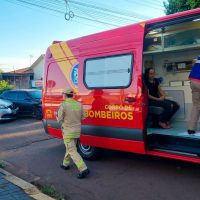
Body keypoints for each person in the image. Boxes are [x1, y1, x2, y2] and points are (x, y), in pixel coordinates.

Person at [57, 87, 90, 179]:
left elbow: (59, 119)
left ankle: (83, 169)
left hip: (67, 131)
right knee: (71, 148)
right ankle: (65, 164)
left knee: (72, 150)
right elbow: (84, 117)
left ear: (65, 95)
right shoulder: (79, 104)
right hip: (77, 131)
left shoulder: (63, 105)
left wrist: (57, 115)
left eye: (63, 94)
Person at [188, 56, 200, 134]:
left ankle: (191, 129)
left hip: (193, 81)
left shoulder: (198, 58)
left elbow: (193, 61)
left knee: (196, 105)